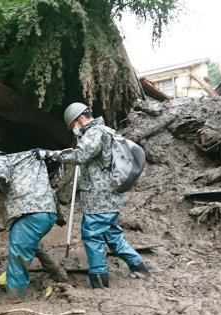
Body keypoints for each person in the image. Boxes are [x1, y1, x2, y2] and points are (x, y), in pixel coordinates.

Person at [34, 102, 152, 289]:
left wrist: (50, 154)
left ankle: (98, 281)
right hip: (109, 197)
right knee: (114, 237)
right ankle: (139, 267)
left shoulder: (95, 132)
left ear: (80, 118)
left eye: (73, 124)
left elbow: (80, 155)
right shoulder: (104, 131)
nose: (74, 128)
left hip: (99, 198)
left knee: (92, 235)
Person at [0, 150, 68, 297]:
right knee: (32, 245)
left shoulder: (4, 160)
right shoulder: (30, 164)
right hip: (47, 215)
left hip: (30, 214)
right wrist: (58, 216)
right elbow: (50, 193)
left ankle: (14, 298)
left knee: (17, 257)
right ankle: (59, 275)